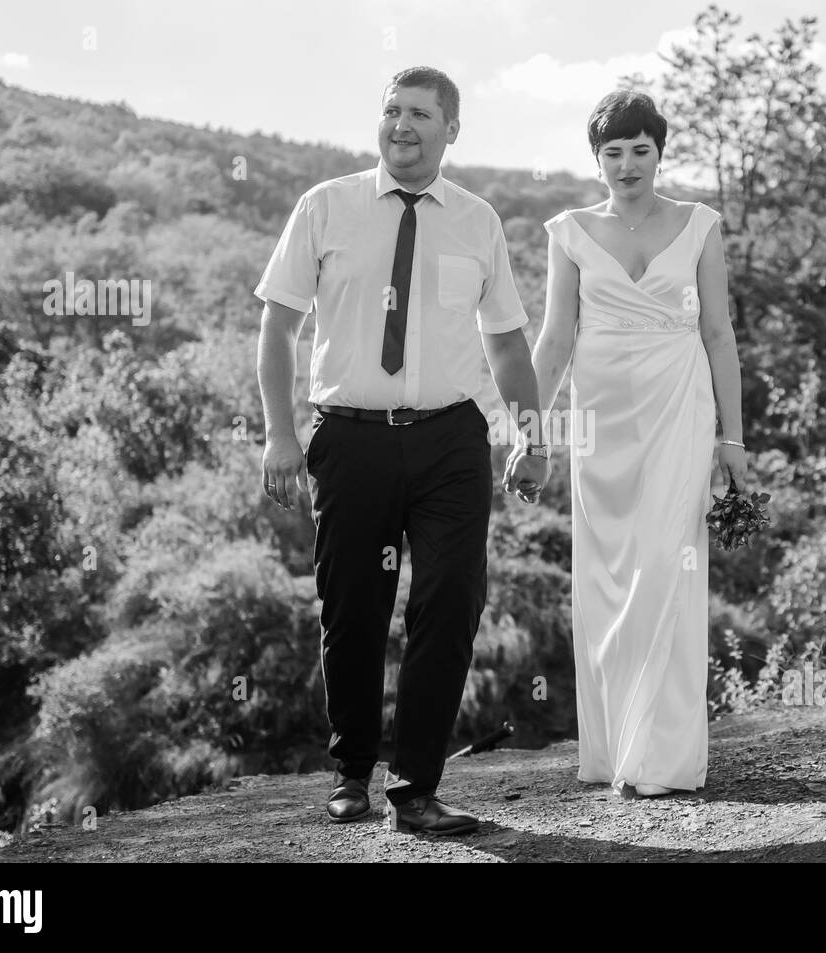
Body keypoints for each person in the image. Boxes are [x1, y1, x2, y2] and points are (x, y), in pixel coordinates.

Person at [255, 67, 550, 835]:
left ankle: (416, 787)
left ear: (452, 128)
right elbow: (278, 329)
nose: (401, 124)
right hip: (348, 437)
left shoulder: (478, 220)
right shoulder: (324, 207)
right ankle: (351, 770)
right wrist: (280, 433)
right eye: (391, 110)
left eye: (420, 113)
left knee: (451, 601)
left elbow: (508, 342)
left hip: (452, 438)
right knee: (353, 607)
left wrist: (531, 431)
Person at [520, 89, 745, 798]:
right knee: (609, 577)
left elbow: (718, 332)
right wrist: (528, 430)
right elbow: (555, 338)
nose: (626, 164)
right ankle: (618, 744)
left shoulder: (700, 225)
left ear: (658, 152)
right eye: (612, 152)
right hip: (601, 421)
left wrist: (732, 439)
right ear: (596, 159)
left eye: (639, 150)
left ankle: (661, 754)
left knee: (665, 562)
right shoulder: (570, 232)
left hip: (681, 404)